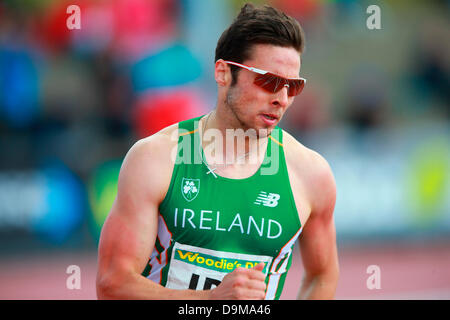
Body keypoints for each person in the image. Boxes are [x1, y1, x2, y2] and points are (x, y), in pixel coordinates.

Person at [96, 3, 338, 300]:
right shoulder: (155, 159)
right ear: (223, 73)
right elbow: (113, 284)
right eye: (269, 81)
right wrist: (211, 302)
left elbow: (322, 275)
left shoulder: (311, 174)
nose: (282, 99)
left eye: (293, 86)